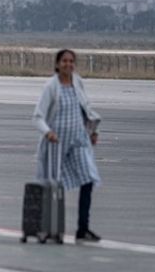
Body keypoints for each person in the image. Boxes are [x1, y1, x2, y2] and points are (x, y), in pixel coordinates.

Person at [33, 49, 103, 243]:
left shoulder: (77, 83)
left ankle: (83, 228)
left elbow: (85, 109)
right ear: (57, 64)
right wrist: (48, 133)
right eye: (64, 61)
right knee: (54, 185)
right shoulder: (51, 87)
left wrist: (92, 132)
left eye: (71, 61)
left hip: (78, 140)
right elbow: (37, 117)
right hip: (56, 142)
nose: (68, 64)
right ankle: (51, 228)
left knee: (88, 179)